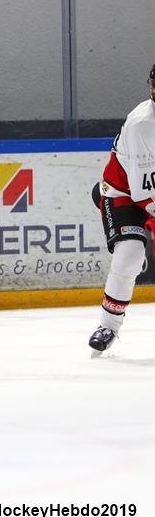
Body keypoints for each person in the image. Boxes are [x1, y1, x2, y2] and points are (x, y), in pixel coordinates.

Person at [88, 64, 155, 356]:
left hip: (145, 193)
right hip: (123, 193)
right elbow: (145, 194)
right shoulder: (143, 125)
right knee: (130, 254)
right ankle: (109, 325)